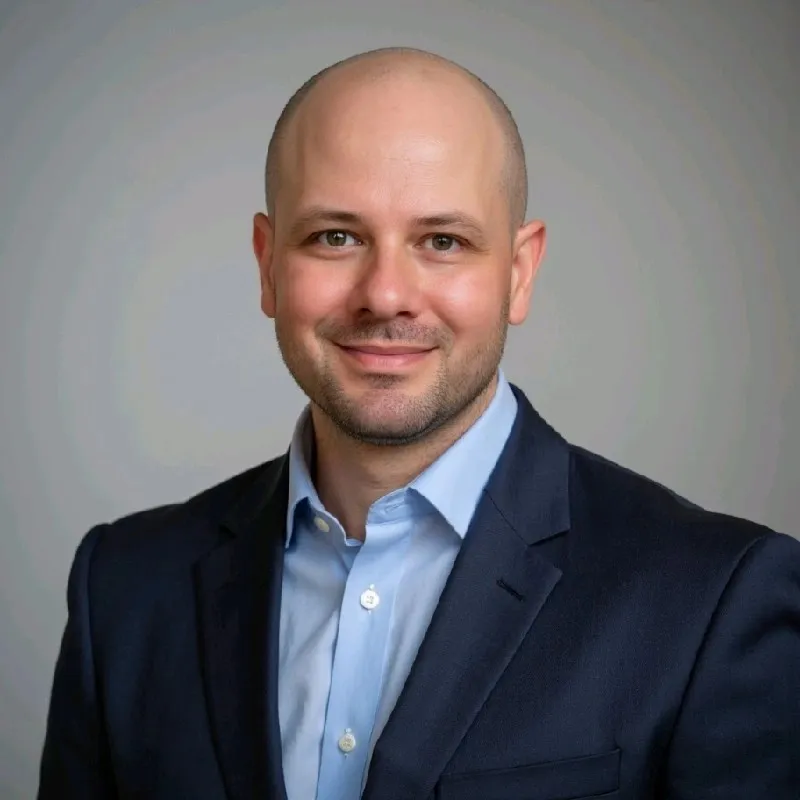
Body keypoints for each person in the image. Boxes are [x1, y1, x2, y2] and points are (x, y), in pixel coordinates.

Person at [38, 46, 799, 800]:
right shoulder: (125, 590)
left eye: (442, 241)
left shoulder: (714, 601)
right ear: (268, 264)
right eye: (336, 236)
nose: (386, 294)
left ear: (519, 271)